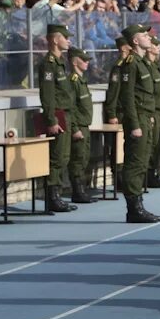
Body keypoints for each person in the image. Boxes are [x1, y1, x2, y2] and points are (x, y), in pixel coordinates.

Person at [119, 23, 160, 224]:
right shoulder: (131, 63)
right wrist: (135, 124)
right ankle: (133, 208)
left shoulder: (143, 62)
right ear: (135, 41)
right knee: (135, 163)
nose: (148, 37)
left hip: (146, 117)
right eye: (144, 35)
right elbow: (127, 97)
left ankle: (137, 205)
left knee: (143, 160)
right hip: (138, 119)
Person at [37, 24, 78, 213]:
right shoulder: (49, 64)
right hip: (58, 115)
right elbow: (47, 94)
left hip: (66, 114)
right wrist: (51, 119)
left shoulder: (61, 62)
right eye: (65, 37)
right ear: (55, 40)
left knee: (64, 156)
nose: (68, 40)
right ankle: (52, 196)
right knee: (57, 157)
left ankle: (57, 194)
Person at [67, 47, 95, 204]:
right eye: (83, 60)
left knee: (84, 158)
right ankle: (77, 191)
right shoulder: (73, 81)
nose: (87, 62)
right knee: (77, 159)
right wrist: (75, 128)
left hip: (85, 125)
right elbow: (70, 108)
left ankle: (82, 189)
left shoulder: (82, 81)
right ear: (74, 61)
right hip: (79, 126)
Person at [145, 35, 160, 188]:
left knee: (156, 145)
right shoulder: (146, 66)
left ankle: (152, 174)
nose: (159, 48)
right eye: (157, 45)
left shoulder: (154, 66)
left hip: (158, 111)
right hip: (151, 111)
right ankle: (147, 176)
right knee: (150, 145)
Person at [103, 37, 131, 124]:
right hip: (122, 112)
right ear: (123, 48)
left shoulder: (131, 64)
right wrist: (112, 114)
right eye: (130, 45)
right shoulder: (119, 67)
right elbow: (113, 91)